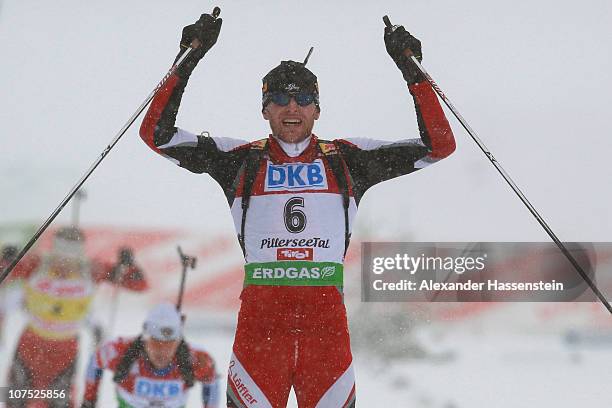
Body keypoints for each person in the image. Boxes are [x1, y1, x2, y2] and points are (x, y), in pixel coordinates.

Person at [140, 12, 455, 408]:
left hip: (325, 330)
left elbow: (439, 145)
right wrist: (189, 58)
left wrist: (411, 71)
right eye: (280, 98)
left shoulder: (348, 159)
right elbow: (157, 135)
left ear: (317, 109)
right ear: (265, 109)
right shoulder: (239, 160)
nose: (293, 107)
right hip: (260, 327)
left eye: (304, 98)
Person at [4, 227, 148, 408]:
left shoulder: (91, 270)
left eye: (71, 258)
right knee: (16, 398)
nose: (64, 264)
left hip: (65, 349)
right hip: (31, 344)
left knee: (59, 401)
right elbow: (4, 269)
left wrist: (128, 266)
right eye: (60, 256)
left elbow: (138, 285)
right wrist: (8, 257)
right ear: (53, 250)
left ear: (80, 254)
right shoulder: (37, 265)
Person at [81, 302, 220, 408]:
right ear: (145, 339)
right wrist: (89, 401)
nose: (162, 352)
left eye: (169, 345)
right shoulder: (121, 352)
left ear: (178, 342)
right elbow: (96, 361)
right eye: (155, 344)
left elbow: (212, 380)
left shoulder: (197, 359)